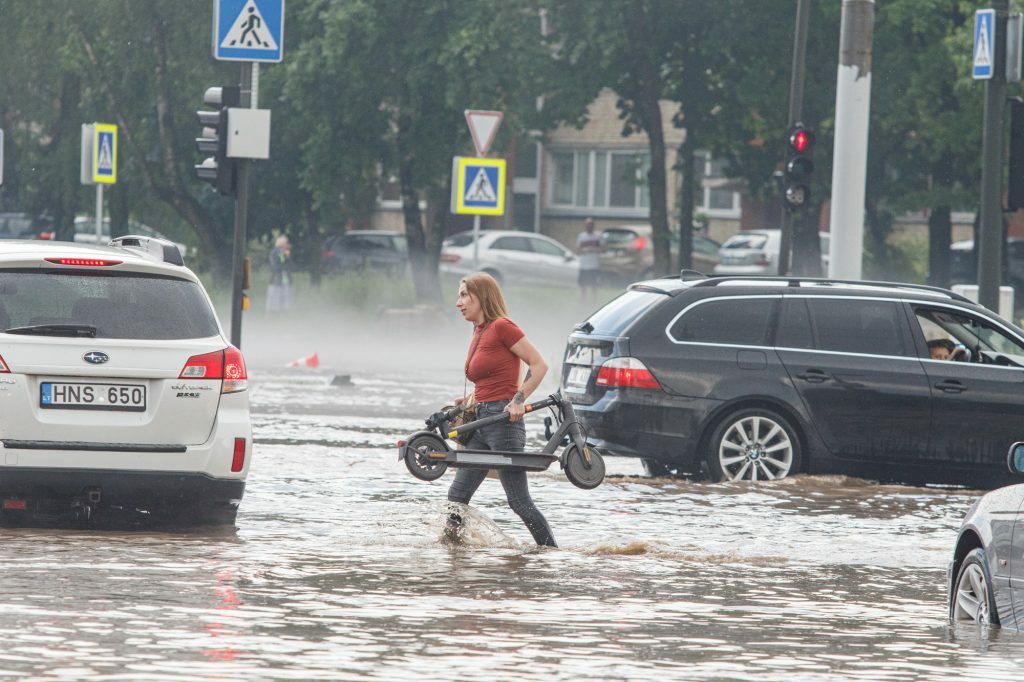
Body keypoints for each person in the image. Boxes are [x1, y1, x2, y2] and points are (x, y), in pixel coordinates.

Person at [446, 272, 557, 547]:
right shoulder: (479, 330)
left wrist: (519, 399)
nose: (458, 303)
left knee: (519, 501)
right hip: (480, 422)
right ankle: (451, 553)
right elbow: (492, 378)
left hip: (503, 422)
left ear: (481, 297)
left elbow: (539, 365)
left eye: (463, 295)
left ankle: (551, 553)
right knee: (457, 496)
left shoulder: (502, 326)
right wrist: (470, 399)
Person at [576, 217, 602, 301]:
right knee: (583, 285)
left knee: (594, 285)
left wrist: (595, 249)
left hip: (594, 265)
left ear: (593, 226)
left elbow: (604, 248)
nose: (589, 226)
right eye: (587, 225)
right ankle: (583, 300)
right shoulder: (582, 236)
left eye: (590, 225)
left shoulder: (597, 236)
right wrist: (584, 250)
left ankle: (594, 300)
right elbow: (578, 250)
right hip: (584, 265)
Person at [266, 235, 293, 313]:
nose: (288, 245)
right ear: (282, 243)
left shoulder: (286, 253)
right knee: (274, 302)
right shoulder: (274, 252)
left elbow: (291, 266)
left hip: (286, 281)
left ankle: (285, 317)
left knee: (287, 302)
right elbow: (275, 266)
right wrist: (285, 258)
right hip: (276, 281)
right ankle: (273, 316)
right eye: (286, 243)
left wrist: (287, 257)